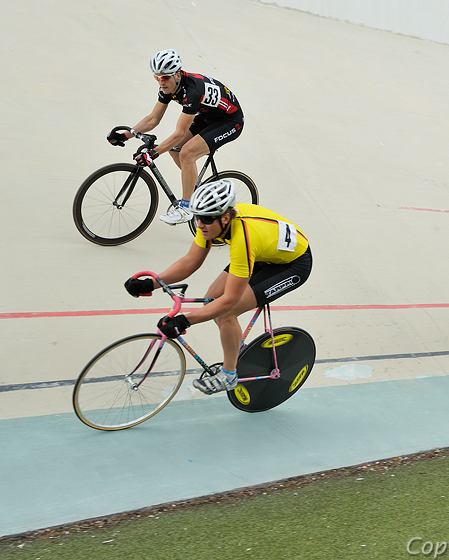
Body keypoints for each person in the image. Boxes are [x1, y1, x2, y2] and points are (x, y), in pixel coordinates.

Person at [124, 179, 312, 394]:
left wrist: (184, 320)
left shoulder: (243, 239)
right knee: (212, 299)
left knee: (226, 312)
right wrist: (152, 283)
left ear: (225, 217)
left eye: (205, 219)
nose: (199, 224)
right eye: (196, 218)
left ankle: (229, 376)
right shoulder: (211, 223)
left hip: (293, 265)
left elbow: (230, 300)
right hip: (263, 252)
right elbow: (190, 262)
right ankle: (238, 350)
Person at [107, 49, 245, 225]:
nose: (160, 82)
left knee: (187, 153)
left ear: (177, 75)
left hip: (231, 121)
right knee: (175, 149)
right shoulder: (168, 88)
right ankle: (200, 190)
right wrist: (126, 135)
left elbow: (179, 133)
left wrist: (154, 153)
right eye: (156, 77)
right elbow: (153, 119)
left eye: (165, 77)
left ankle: (186, 209)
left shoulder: (192, 91)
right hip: (209, 116)